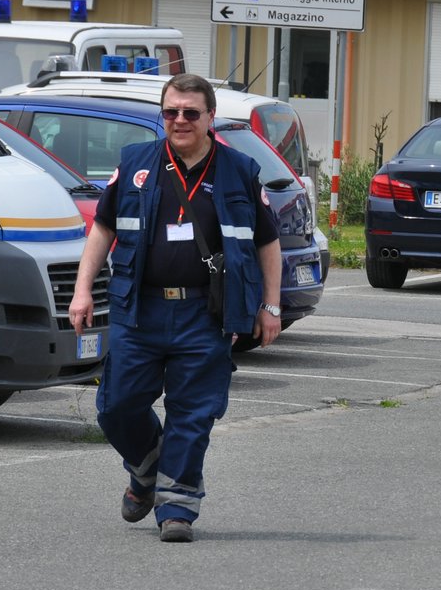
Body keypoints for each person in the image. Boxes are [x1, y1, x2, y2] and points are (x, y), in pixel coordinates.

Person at [69, 73, 283, 542]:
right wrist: (82, 290)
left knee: (193, 411)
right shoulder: (136, 164)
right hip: (139, 309)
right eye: (171, 112)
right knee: (116, 405)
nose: (180, 120)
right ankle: (147, 469)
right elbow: (102, 230)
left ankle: (178, 507)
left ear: (210, 118)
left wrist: (270, 304)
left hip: (205, 314)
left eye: (191, 113)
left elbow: (268, 244)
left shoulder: (240, 171)